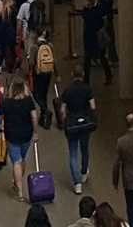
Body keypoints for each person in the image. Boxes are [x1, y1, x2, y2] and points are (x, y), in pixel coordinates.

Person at [58, 62, 97, 195]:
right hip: (85, 123)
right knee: (84, 149)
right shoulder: (87, 88)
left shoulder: (68, 90)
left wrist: (64, 121)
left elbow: (62, 109)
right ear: (83, 74)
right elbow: (93, 107)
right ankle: (84, 172)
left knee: (73, 153)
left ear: (72, 75)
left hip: (72, 124)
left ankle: (77, 184)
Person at [0, 75, 38, 203]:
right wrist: (35, 132)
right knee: (22, 159)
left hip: (12, 135)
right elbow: (34, 117)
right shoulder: (28, 100)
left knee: (16, 161)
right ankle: (17, 181)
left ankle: (20, 191)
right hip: (26, 134)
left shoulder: (6, 102)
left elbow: (0, 117)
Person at [82, 0, 112, 86]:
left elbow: (103, 21)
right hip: (88, 37)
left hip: (96, 37)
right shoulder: (86, 9)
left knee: (101, 56)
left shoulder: (99, 8)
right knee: (87, 60)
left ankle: (108, 75)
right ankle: (86, 80)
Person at [31, 28, 56, 128]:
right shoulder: (50, 45)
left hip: (38, 73)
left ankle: (45, 110)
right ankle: (43, 119)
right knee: (44, 94)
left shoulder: (34, 47)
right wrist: (57, 74)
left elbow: (31, 63)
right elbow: (55, 60)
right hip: (48, 72)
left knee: (36, 93)